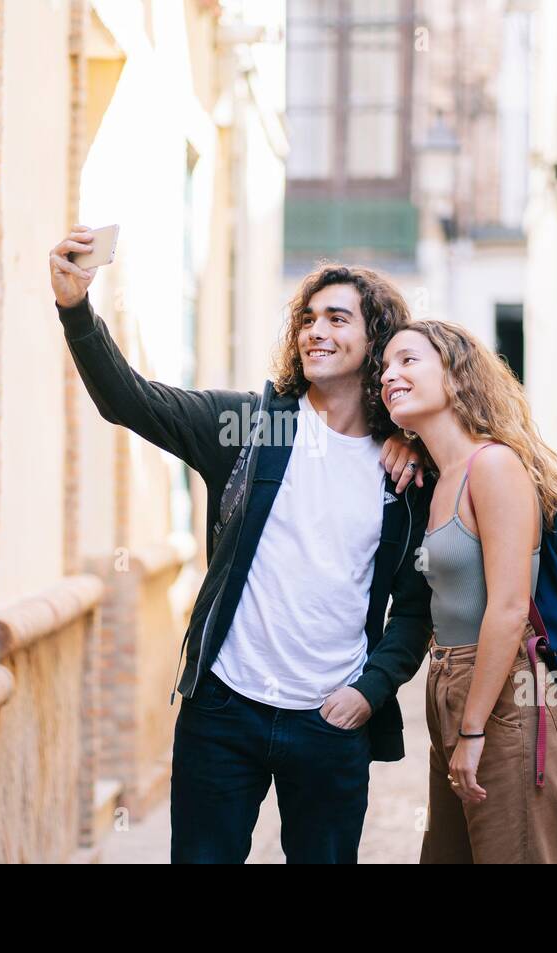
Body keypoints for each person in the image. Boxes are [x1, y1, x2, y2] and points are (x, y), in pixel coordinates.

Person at [49, 226, 434, 863]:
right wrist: (76, 310)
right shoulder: (246, 427)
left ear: (376, 341)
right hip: (224, 708)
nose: (317, 331)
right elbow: (130, 401)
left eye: (338, 319)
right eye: (308, 318)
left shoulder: (404, 471)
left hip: (331, 720)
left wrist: (370, 691)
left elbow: (415, 609)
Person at [378, 319, 557, 863]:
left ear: (454, 373)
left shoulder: (492, 466)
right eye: (384, 367)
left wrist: (472, 732)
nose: (389, 374)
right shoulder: (439, 475)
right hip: (450, 681)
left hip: (506, 693)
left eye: (407, 361)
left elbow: (511, 607)